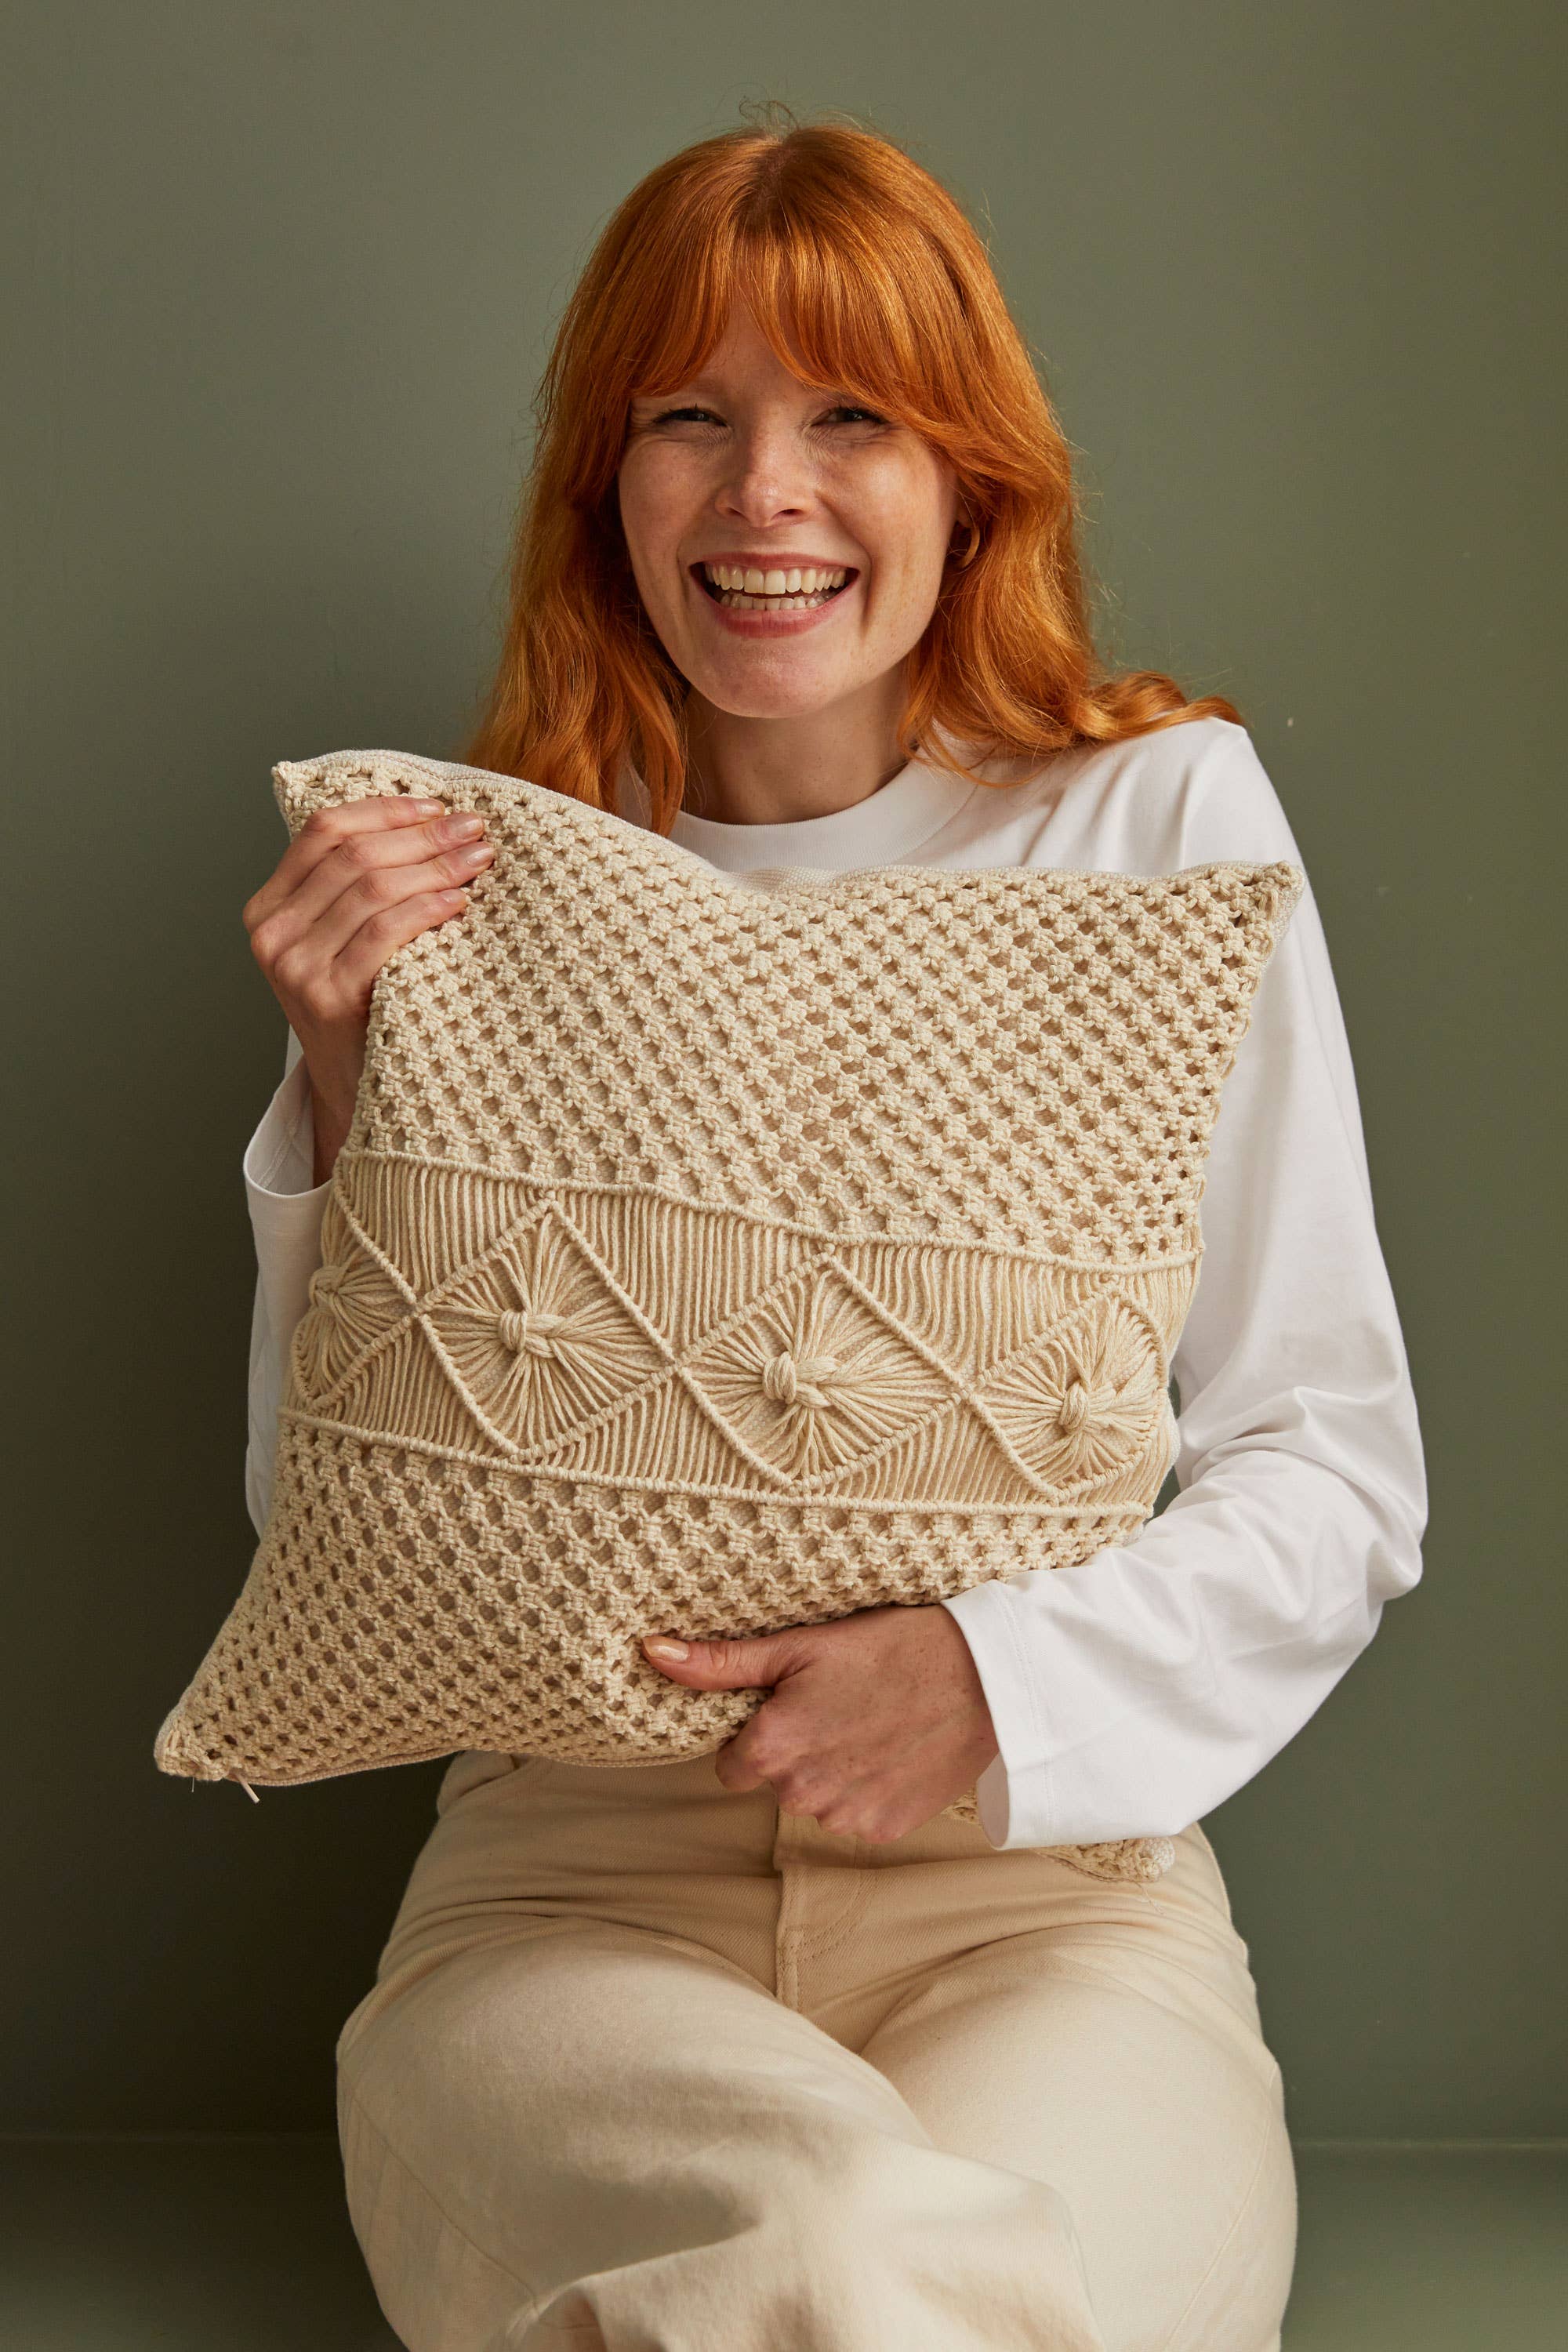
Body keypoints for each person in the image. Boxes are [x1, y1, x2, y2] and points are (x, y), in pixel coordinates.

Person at [237, 109, 1426, 2352]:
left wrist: (987, 1678)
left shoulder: (1156, 827)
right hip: (571, 1909)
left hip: (1047, 1907)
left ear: (969, 478)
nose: (763, 491)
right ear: (606, 484)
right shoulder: (476, 885)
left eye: (852, 418)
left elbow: (1335, 1469)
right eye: (687, 419)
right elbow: (333, 1531)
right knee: (845, 2258)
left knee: (934, 2284)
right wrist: (343, 1095)